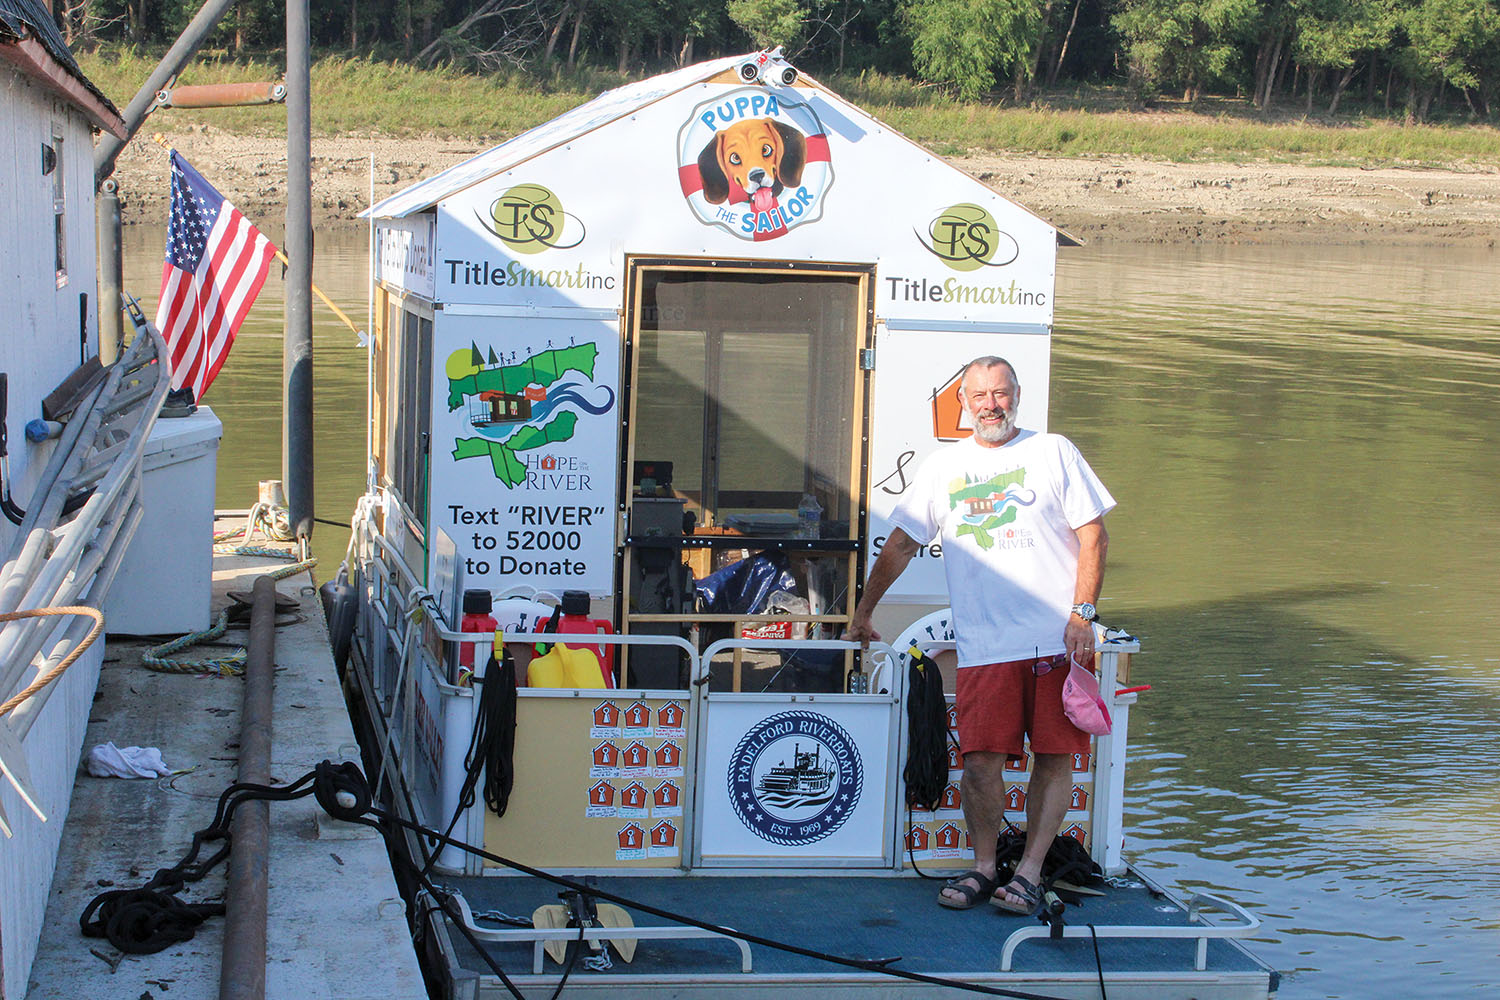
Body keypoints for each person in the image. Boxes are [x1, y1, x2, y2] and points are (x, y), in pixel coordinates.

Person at [847, 355, 1114, 914]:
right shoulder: (944, 467)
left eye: (1002, 393)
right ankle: (985, 867)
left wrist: (1082, 614)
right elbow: (899, 545)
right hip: (985, 646)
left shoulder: (1053, 451)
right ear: (962, 404)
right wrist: (864, 610)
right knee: (980, 763)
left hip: (1055, 642)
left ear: (1017, 395)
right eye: (980, 395)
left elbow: (1094, 536)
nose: (992, 404)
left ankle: (1033, 871)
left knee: (1054, 758)